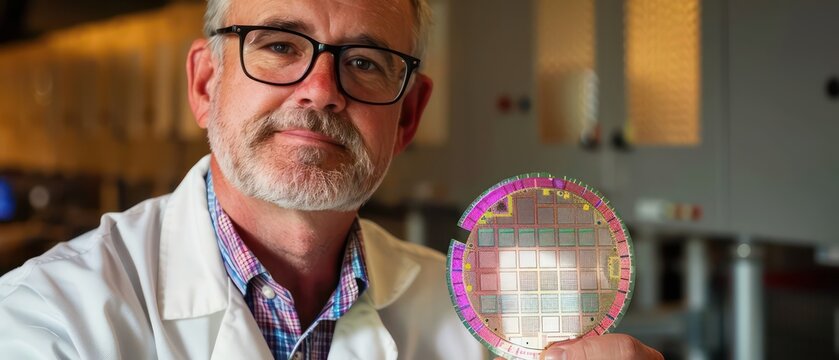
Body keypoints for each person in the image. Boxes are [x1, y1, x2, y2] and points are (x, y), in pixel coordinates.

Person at [0, 0, 663, 359]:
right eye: (280, 46)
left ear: (407, 117)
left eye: (366, 61)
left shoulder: (482, 326)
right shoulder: (49, 321)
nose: (320, 90)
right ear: (206, 84)